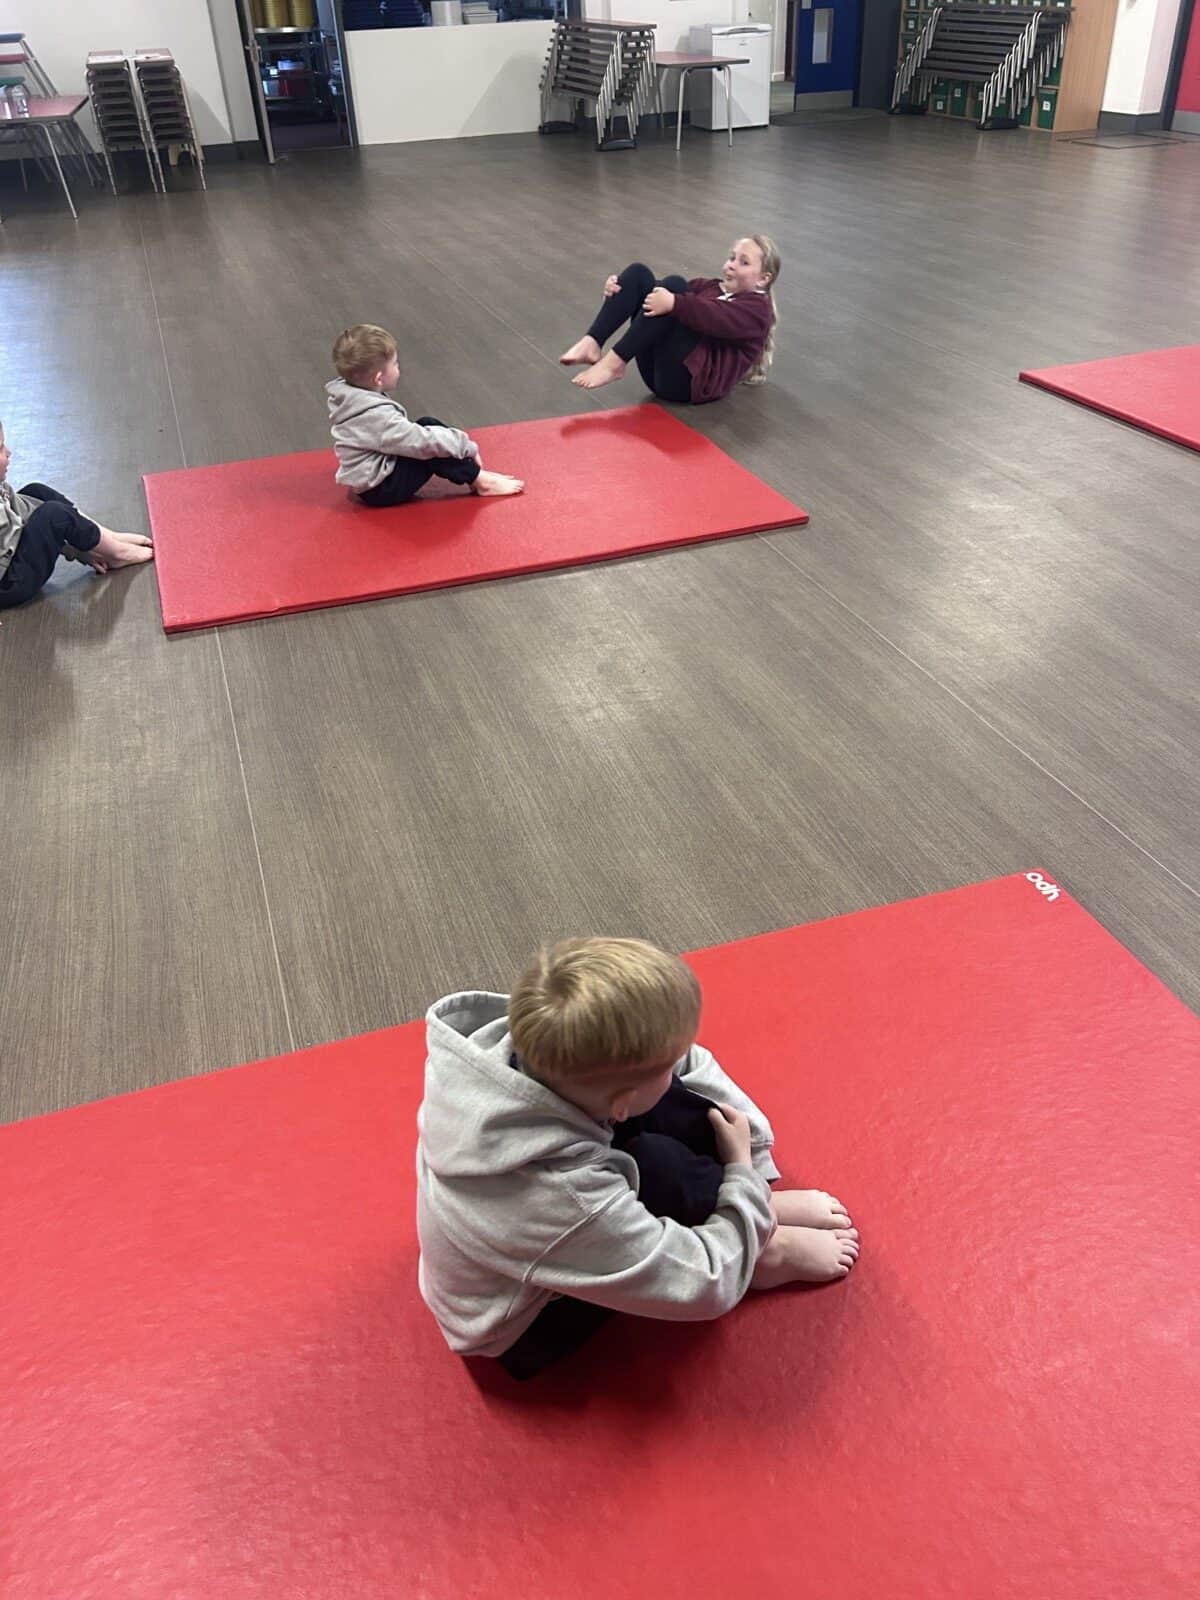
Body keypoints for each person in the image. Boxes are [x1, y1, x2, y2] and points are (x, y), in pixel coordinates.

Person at [416, 936, 858, 1380]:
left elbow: (690, 1063)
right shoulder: (564, 1196)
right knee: (661, 1163)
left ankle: (747, 1216)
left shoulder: (539, 1046)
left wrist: (754, 1168)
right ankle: (763, 1253)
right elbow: (702, 1285)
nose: (680, 1062)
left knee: (670, 1100)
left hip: (554, 1202)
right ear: (620, 1104)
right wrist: (741, 1171)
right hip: (522, 1323)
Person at [559, 235, 781, 404]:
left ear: (763, 279)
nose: (731, 264)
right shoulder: (711, 286)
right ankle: (592, 341)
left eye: (743, 262)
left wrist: (674, 302)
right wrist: (622, 288)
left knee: (675, 287)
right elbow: (658, 291)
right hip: (657, 373)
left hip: (689, 385)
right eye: (732, 258)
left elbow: (715, 316)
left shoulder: (758, 311)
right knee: (639, 274)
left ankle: (614, 363)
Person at [326, 324, 523, 505]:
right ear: (379, 378)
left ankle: (475, 475)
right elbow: (422, 442)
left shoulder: (350, 394)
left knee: (427, 425)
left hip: (373, 477)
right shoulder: (375, 416)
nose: (398, 368)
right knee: (430, 447)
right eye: (395, 364)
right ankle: (482, 482)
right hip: (381, 489)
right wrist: (465, 446)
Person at [0, 420, 153, 613]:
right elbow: (21, 530)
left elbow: (24, 513)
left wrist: (79, 549)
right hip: (10, 584)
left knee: (36, 492)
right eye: (1, 448)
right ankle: (117, 553)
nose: (9, 452)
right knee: (54, 514)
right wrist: (74, 548)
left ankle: (106, 538)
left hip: (11, 559)